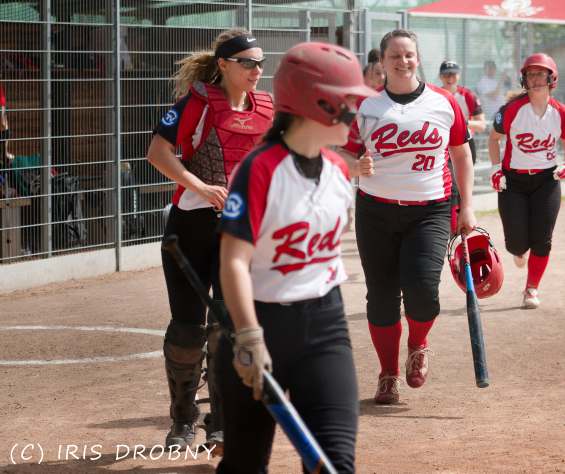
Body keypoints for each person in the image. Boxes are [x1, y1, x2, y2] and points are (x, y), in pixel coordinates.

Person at [215, 41, 378, 474]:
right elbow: (233, 261)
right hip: (259, 324)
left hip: (325, 327)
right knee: (245, 467)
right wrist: (248, 336)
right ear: (319, 103)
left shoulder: (338, 170)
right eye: (348, 102)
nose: (355, 114)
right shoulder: (260, 167)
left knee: (334, 464)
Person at [146, 28, 273, 453]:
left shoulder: (267, 108)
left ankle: (220, 423)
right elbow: (157, 153)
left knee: (227, 327)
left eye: (260, 62)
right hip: (191, 228)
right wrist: (199, 185)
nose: (257, 70)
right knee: (187, 331)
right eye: (247, 62)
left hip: (238, 232)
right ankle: (183, 417)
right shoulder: (197, 103)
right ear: (223, 64)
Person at [339, 29, 476, 404]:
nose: (403, 61)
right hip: (375, 211)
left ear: (418, 59)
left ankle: (418, 344)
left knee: (423, 293)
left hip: (430, 211)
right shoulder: (364, 105)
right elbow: (342, 156)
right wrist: (356, 166)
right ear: (382, 62)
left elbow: (461, 154)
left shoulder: (444, 102)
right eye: (395, 56)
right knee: (381, 299)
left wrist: (467, 206)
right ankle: (388, 373)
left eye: (409, 55)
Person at [488, 53, 565, 309]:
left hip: (546, 181)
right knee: (516, 243)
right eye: (530, 74)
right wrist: (496, 170)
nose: (535, 78)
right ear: (524, 80)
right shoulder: (513, 109)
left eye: (540, 73)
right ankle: (519, 250)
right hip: (513, 182)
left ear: (552, 78)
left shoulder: (561, 113)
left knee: (543, 240)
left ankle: (531, 289)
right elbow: (493, 139)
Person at [439, 59, 485, 233]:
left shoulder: (467, 95)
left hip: (465, 143)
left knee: (460, 188)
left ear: (459, 75)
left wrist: (462, 122)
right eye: (446, 74)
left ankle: (460, 230)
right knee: (451, 187)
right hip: (444, 144)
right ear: (440, 76)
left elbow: (481, 125)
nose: (450, 78)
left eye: (453, 74)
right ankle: (453, 231)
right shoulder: (436, 95)